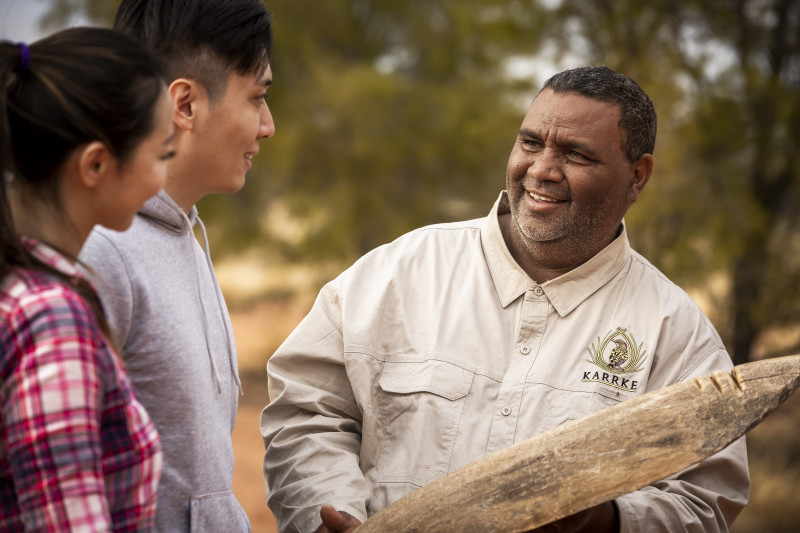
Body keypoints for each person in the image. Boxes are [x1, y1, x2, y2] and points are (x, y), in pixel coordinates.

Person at [261, 65, 750, 532]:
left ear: (637, 176)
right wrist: (330, 514)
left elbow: (702, 502)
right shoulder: (400, 272)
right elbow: (308, 412)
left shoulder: (676, 333)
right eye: (530, 142)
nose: (542, 170)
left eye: (576, 155)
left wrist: (604, 522)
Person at [77, 1, 275, 531]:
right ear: (184, 105)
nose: (268, 126)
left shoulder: (185, 230)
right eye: (257, 97)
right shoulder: (99, 252)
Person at [0, 27, 174, 531]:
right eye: (162, 153)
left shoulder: (19, 287)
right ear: (97, 163)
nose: (166, 171)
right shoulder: (48, 319)